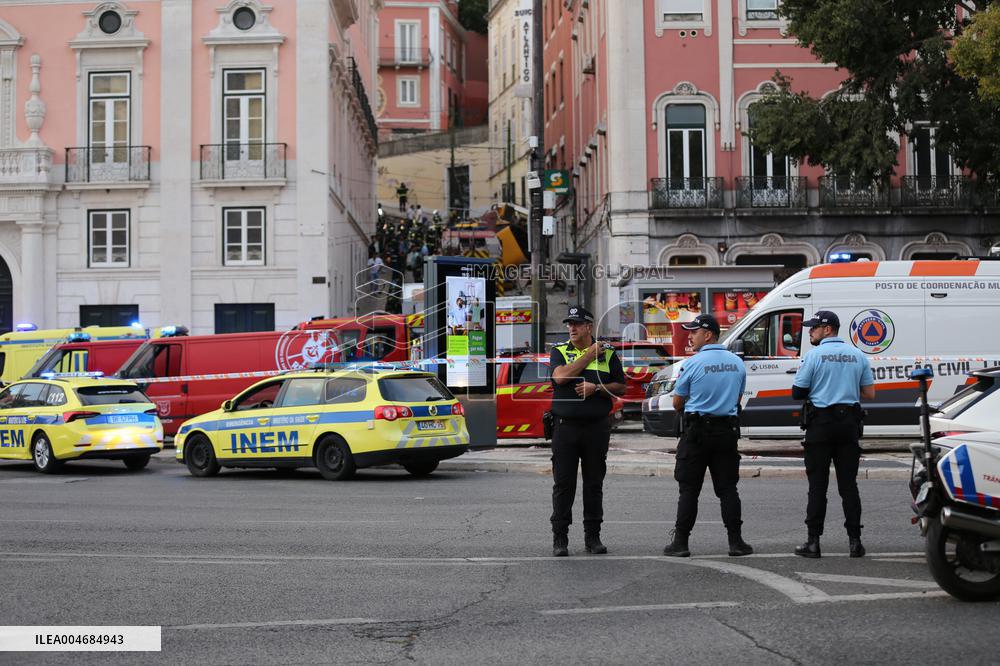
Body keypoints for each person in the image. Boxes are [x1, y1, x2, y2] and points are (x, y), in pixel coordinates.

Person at [663, 314, 753, 558]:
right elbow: (737, 399)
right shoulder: (736, 363)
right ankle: (736, 542)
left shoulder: (692, 363)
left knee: (689, 490)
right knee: (727, 489)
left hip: (697, 433)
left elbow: (677, 401)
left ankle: (680, 543)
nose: (690, 336)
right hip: (726, 432)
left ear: (709, 334)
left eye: (694, 332)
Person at [791, 310, 874, 559]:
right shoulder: (858, 355)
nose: (810, 332)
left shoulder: (813, 356)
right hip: (848, 423)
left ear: (828, 329)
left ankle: (813, 543)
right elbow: (869, 393)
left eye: (814, 328)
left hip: (821, 425)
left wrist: (823, 386)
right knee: (849, 486)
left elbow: (797, 392)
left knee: (818, 486)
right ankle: (855, 542)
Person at [549, 306, 626, 557]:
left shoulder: (609, 353)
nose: (571, 328)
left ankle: (593, 538)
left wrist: (597, 388)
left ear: (589, 327)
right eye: (569, 324)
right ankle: (560, 539)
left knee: (594, 484)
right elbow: (560, 378)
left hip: (596, 428)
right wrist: (590, 355)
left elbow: (621, 387)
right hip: (565, 429)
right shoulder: (559, 351)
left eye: (577, 324)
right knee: (564, 485)